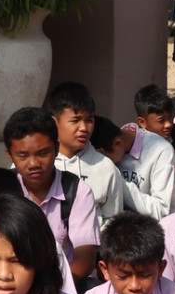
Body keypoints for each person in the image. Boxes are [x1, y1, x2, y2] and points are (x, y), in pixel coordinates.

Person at [5, 106, 97, 291]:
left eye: (42, 153)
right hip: (13, 290)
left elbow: (84, 261)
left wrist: (46, 289)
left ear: (56, 148)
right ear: (10, 155)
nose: (33, 164)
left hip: (64, 288)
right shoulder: (4, 190)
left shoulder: (77, 191)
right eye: (22, 155)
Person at [46, 80, 124, 225]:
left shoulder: (106, 168)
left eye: (89, 120)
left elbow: (113, 221)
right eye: (75, 120)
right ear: (54, 122)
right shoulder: (39, 164)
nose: (84, 128)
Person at [120, 85, 175, 217]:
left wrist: (119, 183)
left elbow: (161, 209)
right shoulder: (117, 147)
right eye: (161, 120)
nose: (169, 124)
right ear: (142, 122)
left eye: (170, 118)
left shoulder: (163, 149)